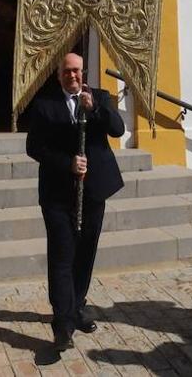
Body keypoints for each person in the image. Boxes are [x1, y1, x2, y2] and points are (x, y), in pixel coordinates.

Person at [24, 52, 125, 361]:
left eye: (78, 70)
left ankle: (77, 306)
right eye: (67, 71)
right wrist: (67, 163)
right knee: (62, 255)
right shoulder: (44, 104)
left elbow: (118, 129)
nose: (73, 76)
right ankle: (62, 323)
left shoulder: (100, 97)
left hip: (93, 190)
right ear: (59, 75)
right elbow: (34, 147)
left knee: (85, 252)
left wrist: (96, 110)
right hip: (58, 193)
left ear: (85, 72)